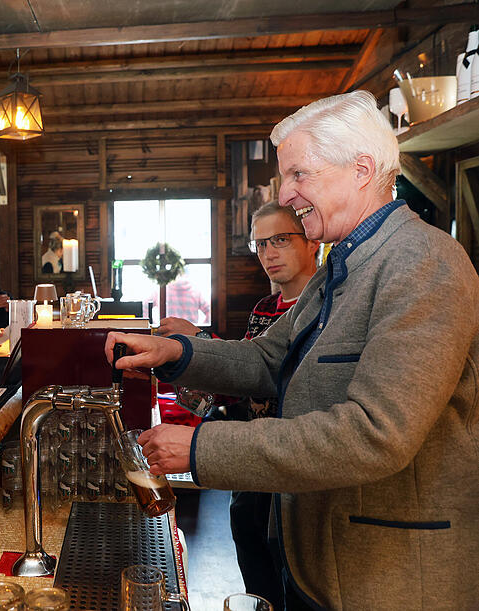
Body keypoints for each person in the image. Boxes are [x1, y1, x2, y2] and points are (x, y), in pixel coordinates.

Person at [106, 91, 479, 609]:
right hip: (316, 557)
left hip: (387, 575)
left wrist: (200, 450)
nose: (287, 194)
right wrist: (175, 352)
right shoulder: (340, 267)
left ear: (362, 169)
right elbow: (266, 358)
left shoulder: (424, 262)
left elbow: (378, 433)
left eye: (300, 175)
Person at [158, 201, 319, 610]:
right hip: (251, 471)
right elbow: (236, 388)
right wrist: (177, 362)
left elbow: (288, 383)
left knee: (296, 585)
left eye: (280, 240)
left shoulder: (326, 309)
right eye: (260, 243)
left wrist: (199, 342)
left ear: (313, 241)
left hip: (298, 471)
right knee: (257, 577)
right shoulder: (264, 311)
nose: (269, 253)